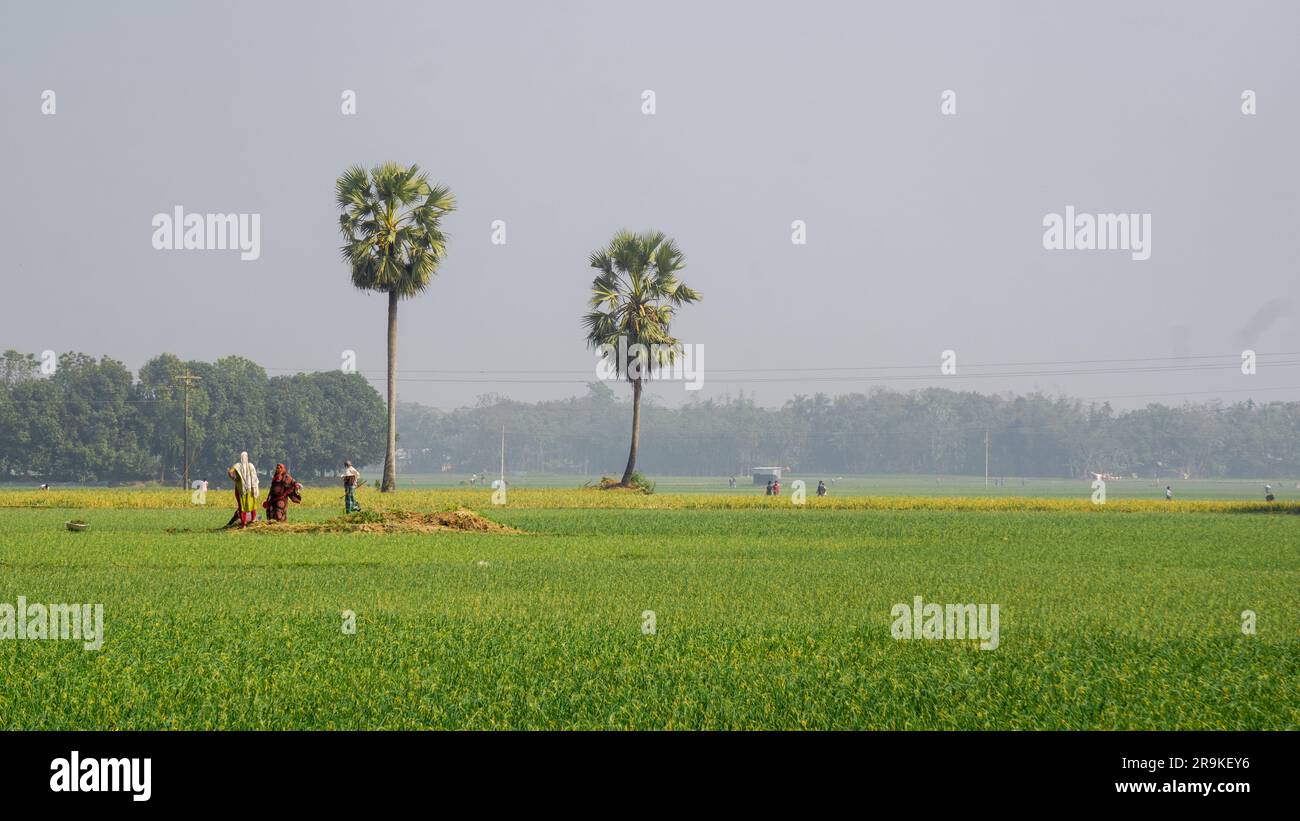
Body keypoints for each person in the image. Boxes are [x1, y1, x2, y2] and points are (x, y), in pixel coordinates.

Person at [228, 451, 260, 527]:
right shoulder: (251, 466)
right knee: (252, 505)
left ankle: (244, 524)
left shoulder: (237, 466)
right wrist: (254, 488)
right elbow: (255, 479)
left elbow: (230, 472)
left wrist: (235, 478)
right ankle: (253, 520)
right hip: (250, 490)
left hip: (241, 490)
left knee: (242, 507)